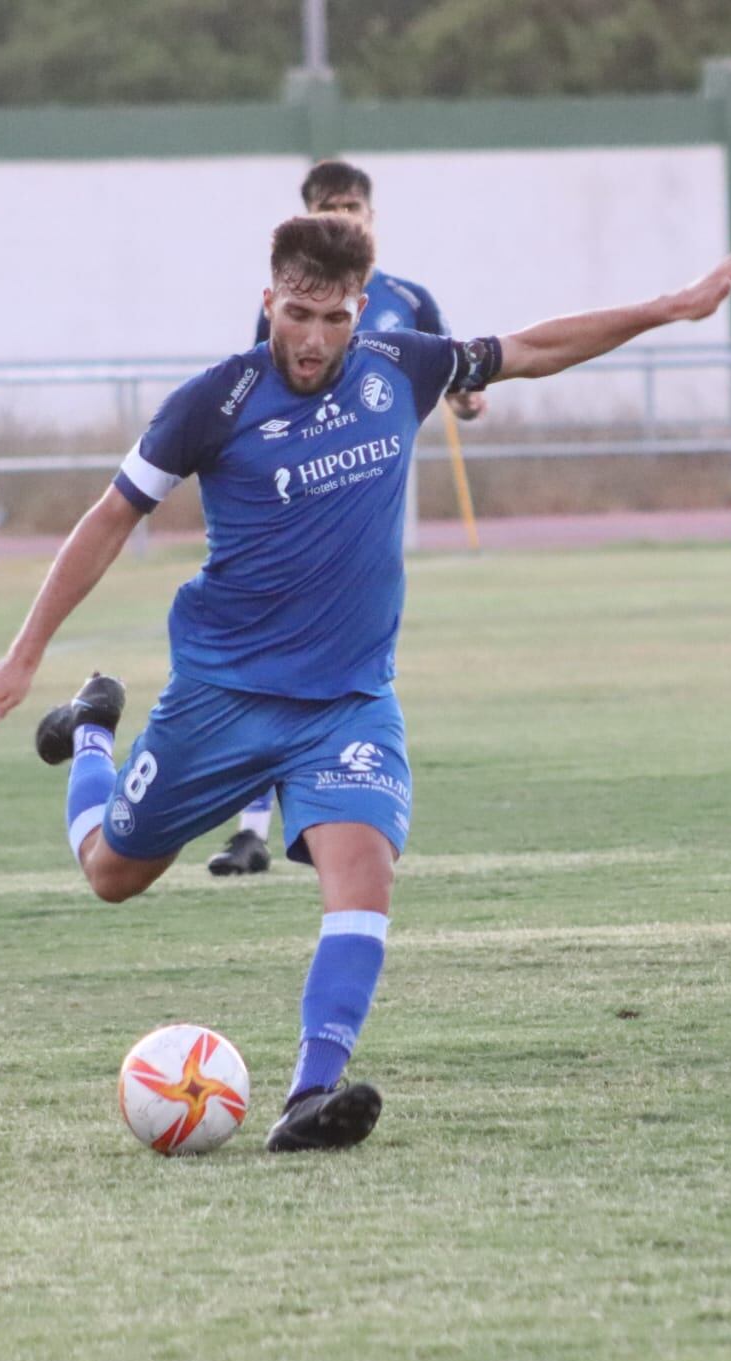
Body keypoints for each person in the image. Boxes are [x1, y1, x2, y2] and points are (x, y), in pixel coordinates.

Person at [0, 212, 731, 1153]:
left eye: (335, 316)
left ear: (359, 309)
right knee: (112, 875)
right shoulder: (214, 403)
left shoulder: (402, 366)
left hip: (347, 701)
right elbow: (109, 518)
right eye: (297, 313)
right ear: (268, 302)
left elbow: (537, 347)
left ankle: (312, 1092)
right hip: (222, 694)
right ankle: (94, 734)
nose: (313, 338)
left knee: (363, 876)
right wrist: (24, 654)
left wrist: (673, 307)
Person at [210, 157, 483, 879]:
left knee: (333, 676)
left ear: (371, 215)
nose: (347, 218)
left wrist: (465, 399)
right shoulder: (289, 305)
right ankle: (252, 827)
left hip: (364, 508)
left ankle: (319, 816)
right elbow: (255, 387)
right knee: (277, 666)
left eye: (355, 207)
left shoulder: (405, 300)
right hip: (294, 510)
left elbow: (457, 373)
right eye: (331, 208)